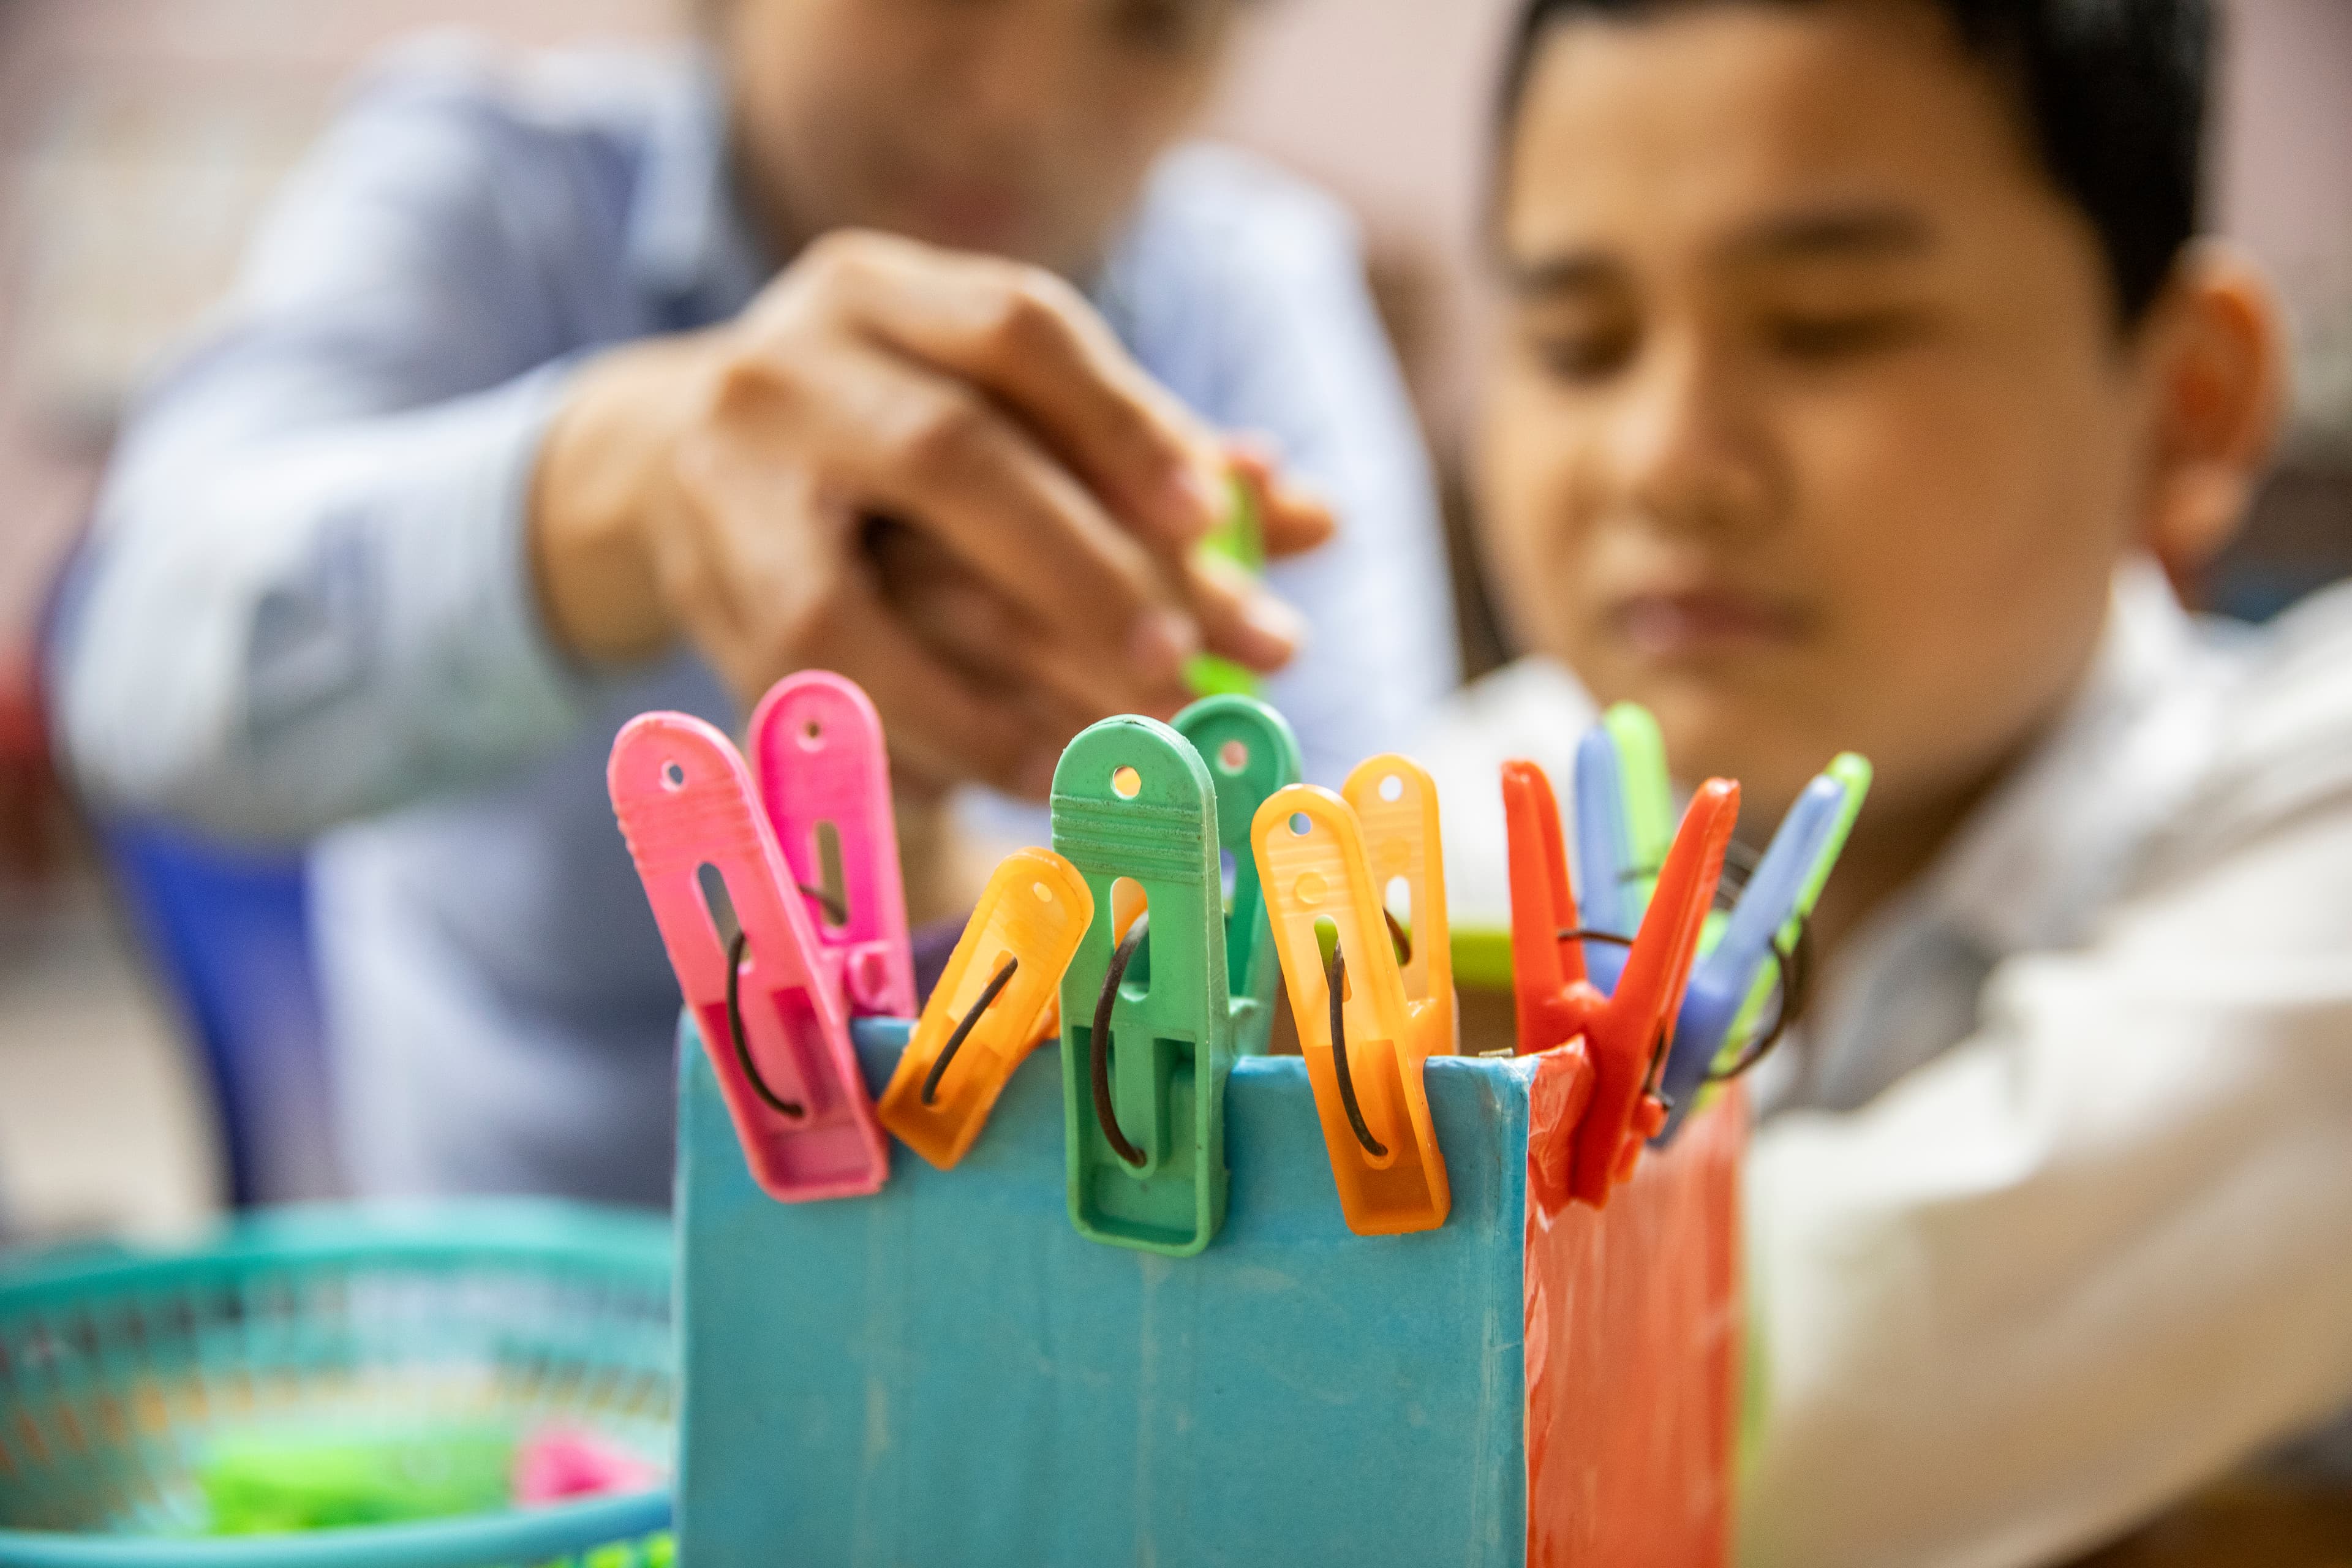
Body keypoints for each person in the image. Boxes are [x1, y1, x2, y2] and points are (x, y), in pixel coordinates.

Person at [49, 0, 1455, 1205]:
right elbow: (136, 658)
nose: (1026, 94)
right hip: (564, 1382)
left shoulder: (1250, 294)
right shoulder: (489, 197)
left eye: (1153, 20)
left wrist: (958, 877)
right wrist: (626, 487)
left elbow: (1354, 950)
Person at [1427, 0, 2352, 1561]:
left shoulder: (2314, 827)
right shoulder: (1443, 805)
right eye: (1579, 343)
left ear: (2188, 397)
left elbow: (1776, 1412)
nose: (1665, 455)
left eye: (1829, 326)